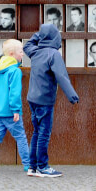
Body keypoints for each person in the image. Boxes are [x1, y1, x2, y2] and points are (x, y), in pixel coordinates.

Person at [24, 23, 79, 177]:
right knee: (44, 133)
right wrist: (72, 96)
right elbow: (61, 76)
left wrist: (40, 34)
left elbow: (27, 44)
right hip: (44, 100)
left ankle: (32, 167)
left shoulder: (35, 51)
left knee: (37, 132)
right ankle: (43, 166)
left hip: (32, 98)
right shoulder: (53, 54)